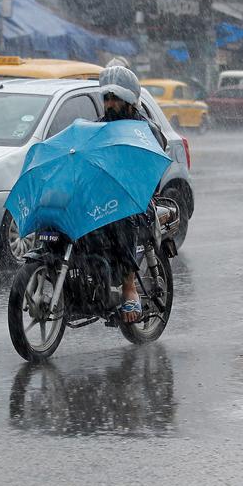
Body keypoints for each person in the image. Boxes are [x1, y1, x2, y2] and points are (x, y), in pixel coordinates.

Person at [83, 65, 167, 324]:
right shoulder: (99, 127)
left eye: (115, 98)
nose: (109, 104)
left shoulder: (146, 130)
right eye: (106, 98)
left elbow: (149, 173)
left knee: (122, 219)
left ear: (130, 100)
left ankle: (129, 286)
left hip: (136, 200)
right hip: (103, 198)